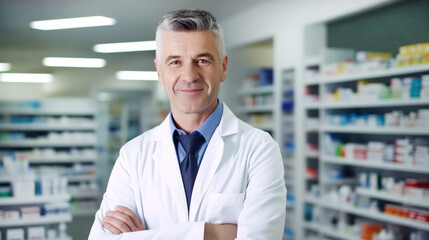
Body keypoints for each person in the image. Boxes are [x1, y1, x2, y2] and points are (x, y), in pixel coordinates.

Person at [88, 9, 286, 240]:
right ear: (159, 71)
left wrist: (145, 236)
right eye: (175, 62)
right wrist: (210, 233)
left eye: (202, 60)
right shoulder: (133, 155)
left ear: (223, 67)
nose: (189, 75)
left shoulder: (259, 149)